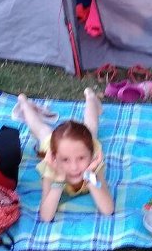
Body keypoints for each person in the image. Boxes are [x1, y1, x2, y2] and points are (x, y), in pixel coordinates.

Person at [16, 89, 114, 222]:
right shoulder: (51, 166)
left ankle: (90, 97)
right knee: (41, 129)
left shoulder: (94, 164)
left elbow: (108, 209)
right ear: (55, 158)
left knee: (91, 127)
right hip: (53, 144)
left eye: (81, 158)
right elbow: (46, 216)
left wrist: (90, 176)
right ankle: (24, 103)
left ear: (91, 155)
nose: (74, 167)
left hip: (79, 145)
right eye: (65, 160)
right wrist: (60, 178)